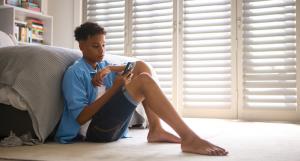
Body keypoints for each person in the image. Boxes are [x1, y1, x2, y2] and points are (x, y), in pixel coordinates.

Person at [55, 22, 228, 156]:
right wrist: (116, 88)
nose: (102, 51)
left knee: (142, 67)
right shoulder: (75, 73)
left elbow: (135, 65)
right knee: (143, 81)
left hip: (112, 126)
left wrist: (109, 69)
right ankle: (189, 138)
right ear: (82, 47)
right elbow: (80, 118)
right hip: (95, 132)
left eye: (104, 45)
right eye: (95, 46)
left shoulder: (103, 64)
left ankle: (155, 129)